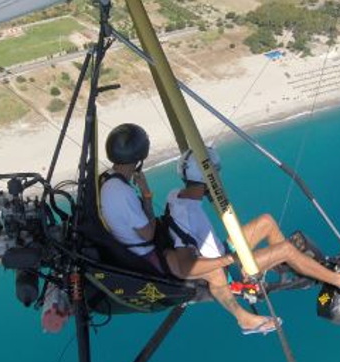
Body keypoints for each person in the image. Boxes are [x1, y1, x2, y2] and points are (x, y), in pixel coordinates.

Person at [99, 123, 280, 335]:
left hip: (135, 246)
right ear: (139, 156)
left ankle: (275, 265)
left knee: (195, 245)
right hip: (145, 257)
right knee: (213, 270)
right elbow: (147, 233)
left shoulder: (108, 180)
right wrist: (147, 199)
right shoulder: (121, 193)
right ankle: (244, 318)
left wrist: (146, 196)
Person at [168, 147, 340, 294]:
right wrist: (229, 260)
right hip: (228, 271)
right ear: (208, 178)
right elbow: (187, 267)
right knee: (286, 249)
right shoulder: (188, 214)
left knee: (266, 221)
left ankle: (285, 267)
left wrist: (208, 189)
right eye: (215, 175)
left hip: (222, 250)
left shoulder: (176, 195)